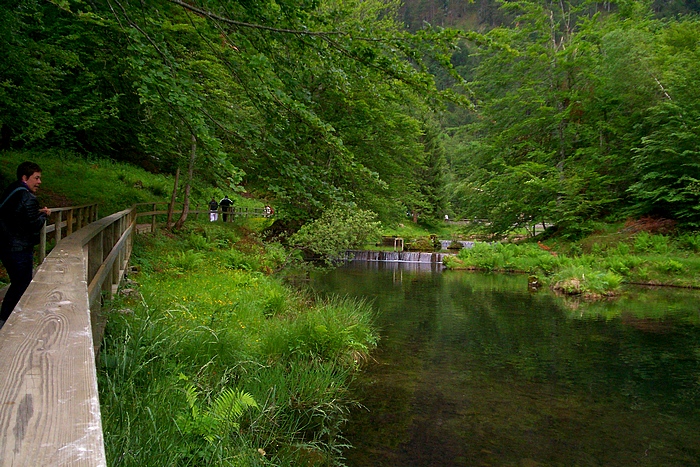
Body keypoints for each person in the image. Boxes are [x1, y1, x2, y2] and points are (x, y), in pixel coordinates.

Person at [0, 161, 51, 329]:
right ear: (25, 177)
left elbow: (17, 215)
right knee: (22, 285)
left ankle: (6, 319)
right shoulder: (28, 197)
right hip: (19, 249)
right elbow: (33, 226)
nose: (39, 182)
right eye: (36, 178)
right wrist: (45, 216)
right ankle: (10, 322)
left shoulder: (12, 190)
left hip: (6, 246)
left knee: (17, 284)